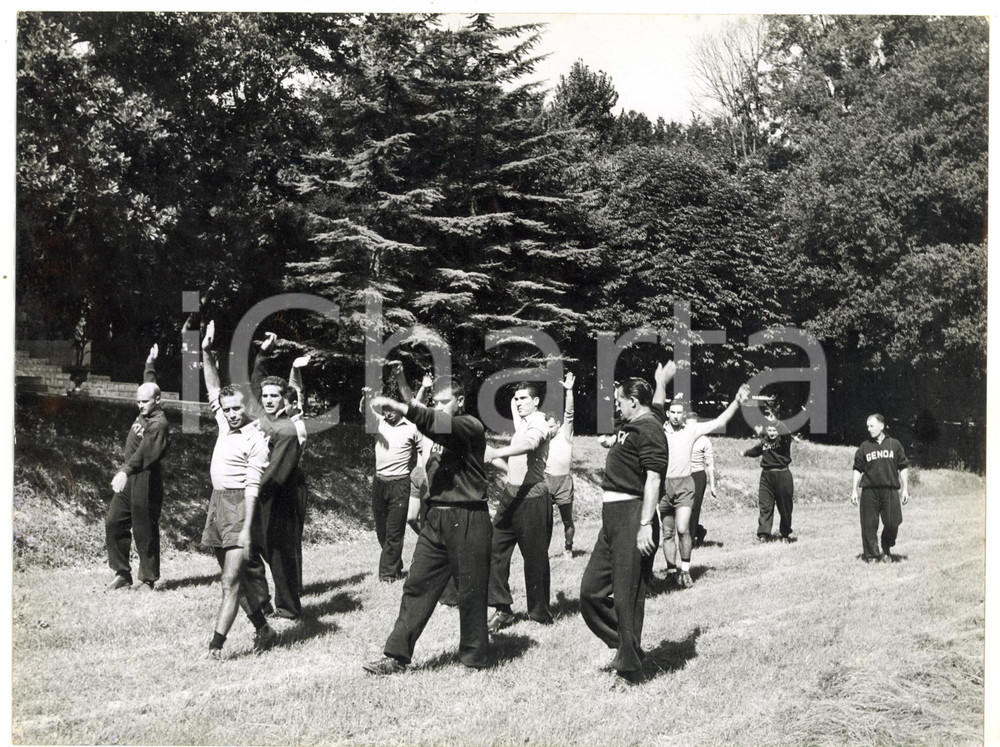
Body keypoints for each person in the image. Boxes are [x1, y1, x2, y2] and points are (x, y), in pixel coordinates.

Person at [363, 376, 492, 675]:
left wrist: (405, 406)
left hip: (468, 516)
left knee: (470, 592)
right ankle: (395, 655)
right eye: (436, 402)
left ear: (460, 403)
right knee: (416, 584)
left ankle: (474, 659)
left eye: (445, 402)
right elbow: (428, 422)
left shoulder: (469, 426)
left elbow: (434, 422)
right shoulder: (437, 436)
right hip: (436, 518)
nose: (440, 407)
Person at [580, 370, 671, 684]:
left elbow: (654, 480)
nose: (616, 407)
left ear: (633, 402)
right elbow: (656, 407)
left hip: (634, 514)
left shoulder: (651, 430)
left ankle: (629, 669)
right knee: (590, 592)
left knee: (626, 597)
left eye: (620, 402)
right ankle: (626, 645)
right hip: (612, 516)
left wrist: (645, 524)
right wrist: (660, 383)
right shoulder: (638, 423)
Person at [200, 321, 277, 658]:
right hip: (218, 504)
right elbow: (213, 384)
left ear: (248, 406)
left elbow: (253, 487)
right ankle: (264, 629)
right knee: (235, 579)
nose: (231, 414)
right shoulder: (224, 422)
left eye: (237, 409)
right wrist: (205, 352)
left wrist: (246, 529)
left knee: (229, 583)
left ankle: (215, 647)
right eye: (227, 409)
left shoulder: (257, 439)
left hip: (239, 507)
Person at [652, 366, 749, 587]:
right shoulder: (659, 430)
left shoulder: (691, 430)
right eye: (672, 412)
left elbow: (719, 422)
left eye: (679, 413)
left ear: (683, 415)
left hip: (685, 484)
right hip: (664, 487)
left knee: (683, 528)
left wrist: (736, 402)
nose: (676, 416)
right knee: (667, 533)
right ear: (667, 413)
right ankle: (670, 571)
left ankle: (685, 569)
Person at [244, 332, 309, 620]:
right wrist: (263, 355)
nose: (268, 400)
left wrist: (249, 489)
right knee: (249, 551)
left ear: (285, 400)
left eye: (274, 396)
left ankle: (288, 608)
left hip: (278, 498)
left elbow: (275, 473)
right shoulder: (262, 418)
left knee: (279, 556)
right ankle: (262, 602)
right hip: (257, 494)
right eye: (266, 396)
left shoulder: (287, 429)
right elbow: (256, 384)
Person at [484, 382, 554, 631]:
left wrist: (496, 452)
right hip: (510, 496)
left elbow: (530, 445)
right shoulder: (523, 422)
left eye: (524, 398)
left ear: (536, 401)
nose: (518, 402)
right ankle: (502, 609)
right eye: (516, 398)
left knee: (534, 559)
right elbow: (517, 417)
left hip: (533, 498)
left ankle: (539, 613)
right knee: (493, 548)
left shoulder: (540, 423)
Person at [105, 344, 170, 591]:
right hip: (130, 476)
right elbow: (149, 382)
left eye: (145, 402)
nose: (140, 405)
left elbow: (144, 455)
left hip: (145, 478)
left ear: (157, 400)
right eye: (138, 401)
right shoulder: (146, 408)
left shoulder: (159, 424)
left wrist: (124, 471)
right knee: (114, 522)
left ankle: (149, 578)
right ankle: (122, 573)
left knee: (144, 529)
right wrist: (150, 363)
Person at [362, 379, 424, 582]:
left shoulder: (411, 427)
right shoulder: (379, 423)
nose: (387, 413)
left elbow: (424, 451)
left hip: (401, 484)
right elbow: (366, 410)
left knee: (394, 530)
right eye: (385, 409)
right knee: (381, 529)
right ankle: (395, 564)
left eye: (391, 409)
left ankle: (387, 575)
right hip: (379, 483)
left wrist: (420, 471)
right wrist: (367, 396)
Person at [851, 414, 910, 563]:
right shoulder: (865, 447)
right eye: (867, 426)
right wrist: (854, 490)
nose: (868, 429)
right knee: (868, 524)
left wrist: (905, 489)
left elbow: (902, 467)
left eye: (871, 426)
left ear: (881, 426)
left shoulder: (894, 444)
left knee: (893, 522)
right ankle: (872, 556)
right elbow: (857, 468)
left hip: (890, 490)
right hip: (869, 490)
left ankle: (886, 546)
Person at [744, 412, 796, 543]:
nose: (772, 432)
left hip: (782, 475)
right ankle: (763, 534)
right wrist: (745, 453)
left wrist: (776, 421)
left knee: (785, 507)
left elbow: (786, 432)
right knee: (765, 505)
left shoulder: (784, 440)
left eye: (774, 430)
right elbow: (755, 451)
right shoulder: (765, 442)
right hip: (766, 476)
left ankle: (785, 534)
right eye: (770, 429)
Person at [544, 372, 577, 559]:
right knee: (544, 520)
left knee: (567, 519)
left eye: (551, 426)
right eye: (546, 427)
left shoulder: (566, 433)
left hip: (564, 481)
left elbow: (569, 414)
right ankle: (542, 550)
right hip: (547, 480)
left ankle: (568, 549)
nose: (548, 430)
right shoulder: (543, 438)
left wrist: (569, 391)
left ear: (558, 424)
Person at [688, 419, 716, 548]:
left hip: (698, 476)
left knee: (694, 508)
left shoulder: (704, 441)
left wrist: (713, 486)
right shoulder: (681, 438)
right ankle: (699, 530)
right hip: (682, 475)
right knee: (680, 508)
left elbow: (710, 464)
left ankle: (691, 539)